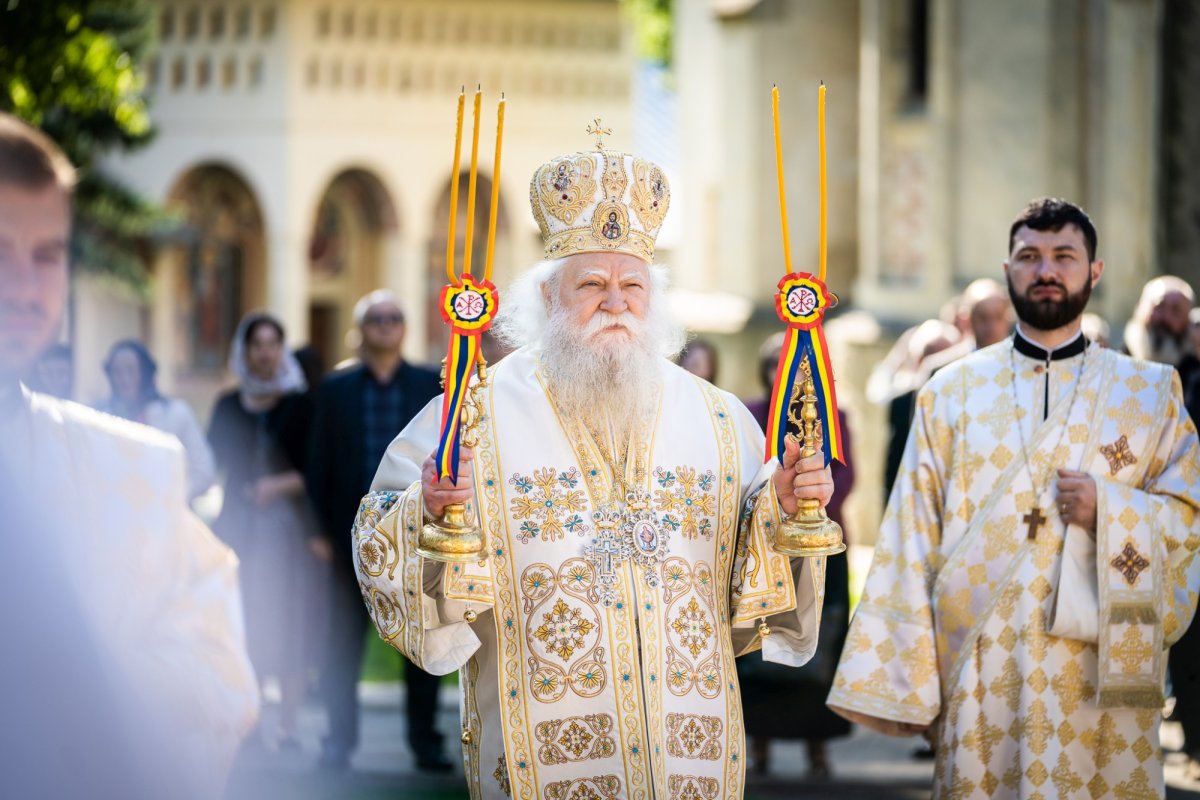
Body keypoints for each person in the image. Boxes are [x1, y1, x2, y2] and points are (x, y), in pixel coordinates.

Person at [352, 142, 833, 798]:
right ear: (550, 294)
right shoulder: (471, 416)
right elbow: (379, 531)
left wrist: (781, 507)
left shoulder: (720, 422)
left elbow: (757, 596)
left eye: (633, 285)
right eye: (593, 285)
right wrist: (429, 513)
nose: (616, 303)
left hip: (687, 750)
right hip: (540, 750)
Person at [828, 197, 1200, 797]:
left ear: (1094, 272)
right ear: (1008, 270)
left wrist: (1109, 509)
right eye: (1029, 256)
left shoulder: (1149, 393)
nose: (1045, 269)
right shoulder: (949, 393)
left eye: (1063, 256)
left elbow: (1189, 517)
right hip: (980, 671)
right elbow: (909, 538)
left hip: (1097, 674)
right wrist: (912, 680)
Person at [0, 113, 257, 796]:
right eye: (0, 252)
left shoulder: (133, 471)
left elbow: (219, 677)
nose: (25, 287)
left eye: (47, 256)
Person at [306, 290, 446, 771]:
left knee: (420, 639)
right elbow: (317, 464)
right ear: (361, 329)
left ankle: (427, 745)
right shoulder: (336, 390)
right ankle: (337, 742)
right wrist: (319, 535)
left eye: (394, 317)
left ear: (404, 328)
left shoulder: (430, 386)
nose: (386, 325)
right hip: (350, 538)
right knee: (341, 644)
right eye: (376, 318)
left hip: (413, 535)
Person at [740, 332, 855, 778]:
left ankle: (817, 749)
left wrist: (814, 508)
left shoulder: (832, 416)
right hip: (764, 544)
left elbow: (844, 474)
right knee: (761, 645)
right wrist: (776, 509)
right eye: (775, 367)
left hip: (821, 545)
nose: (783, 377)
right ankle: (760, 746)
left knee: (820, 649)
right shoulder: (750, 414)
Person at [208, 311, 316, 751]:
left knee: (289, 624)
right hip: (236, 529)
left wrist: (278, 484)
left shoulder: (302, 404)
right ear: (245, 351)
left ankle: (288, 727)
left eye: (274, 344)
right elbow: (210, 462)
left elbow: (317, 467)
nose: (266, 352)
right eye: (258, 345)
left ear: (282, 350)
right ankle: (248, 726)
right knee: (241, 625)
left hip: (287, 534)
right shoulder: (228, 405)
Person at [97, 339, 216, 501]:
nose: (124, 379)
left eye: (131, 370)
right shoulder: (99, 416)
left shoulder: (175, 413)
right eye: (117, 372)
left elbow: (203, 471)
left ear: (145, 373)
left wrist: (170, 500)